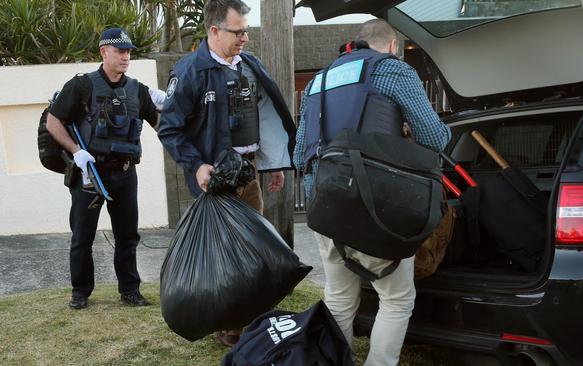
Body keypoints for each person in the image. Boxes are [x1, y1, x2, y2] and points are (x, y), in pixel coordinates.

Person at [293, 19, 451, 366]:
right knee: (395, 298)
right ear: (393, 46)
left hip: (324, 203)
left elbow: (298, 151)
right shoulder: (393, 71)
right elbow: (434, 138)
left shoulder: (319, 80)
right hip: (373, 204)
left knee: (338, 295)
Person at [157, 0, 295, 347]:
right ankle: (231, 329)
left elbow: (263, 115)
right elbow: (169, 129)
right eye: (239, 31)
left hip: (248, 177)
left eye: (247, 30)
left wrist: (272, 163)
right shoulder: (190, 71)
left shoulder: (250, 66)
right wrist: (197, 164)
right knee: (228, 261)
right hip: (215, 184)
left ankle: (251, 320)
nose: (245, 38)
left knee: (254, 254)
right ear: (215, 31)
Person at [46, 27, 159, 310]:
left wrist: (173, 106)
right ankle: (80, 292)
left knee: (127, 235)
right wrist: (76, 151)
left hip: (125, 173)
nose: (125, 56)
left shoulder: (138, 90)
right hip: (90, 173)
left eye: (129, 51)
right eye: (120, 51)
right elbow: (53, 121)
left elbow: (163, 126)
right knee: (82, 236)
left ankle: (130, 291)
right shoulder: (82, 85)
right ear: (103, 51)